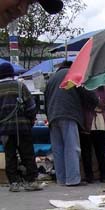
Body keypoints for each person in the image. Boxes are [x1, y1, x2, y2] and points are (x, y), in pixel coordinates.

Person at [44, 61, 91, 186]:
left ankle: (61, 179)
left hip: (53, 117)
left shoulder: (52, 79)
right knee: (71, 148)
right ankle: (72, 179)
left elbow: (45, 99)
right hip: (68, 114)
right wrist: (94, 102)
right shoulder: (72, 75)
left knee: (58, 149)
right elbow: (88, 94)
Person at [0, 61, 42, 192]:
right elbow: (31, 106)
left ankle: (14, 183)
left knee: (10, 155)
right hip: (23, 127)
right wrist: (30, 120)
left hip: (5, 129)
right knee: (27, 153)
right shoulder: (20, 86)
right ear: (12, 74)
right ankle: (31, 181)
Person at [80, 86, 105, 183]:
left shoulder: (86, 87)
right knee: (101, 150)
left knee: (86, 151)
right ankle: (103, 175)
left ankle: (89, 176)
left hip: (87, 121)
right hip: (101, 121)